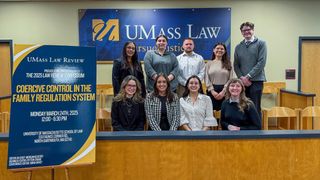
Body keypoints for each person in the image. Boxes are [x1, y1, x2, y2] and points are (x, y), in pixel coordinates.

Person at [234, 22, 267, 118]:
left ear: (253, 30)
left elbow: (261, 62)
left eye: (248, 29)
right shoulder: (238, 47)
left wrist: (248, 76)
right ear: (241, 32)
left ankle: (256, 130)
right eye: (244, 30)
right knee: (242, 106)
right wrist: (242, 78)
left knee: (254, 107)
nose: (246, 32)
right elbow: (236, 65)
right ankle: (245, 130)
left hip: (256, 81)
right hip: (242, 83)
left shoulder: (261, 43)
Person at [205, 42, 233, 110]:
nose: (219, 50)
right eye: (217, 48)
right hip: (212, 91)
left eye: (222, 49)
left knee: (225, 112)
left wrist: (224, 91)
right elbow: (206, 78)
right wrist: (212, 91)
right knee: (212, 113)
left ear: (225, 51)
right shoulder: (209, 63)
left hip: (225, 91)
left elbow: (231, 78)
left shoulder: (229, 63)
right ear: (213, 50)